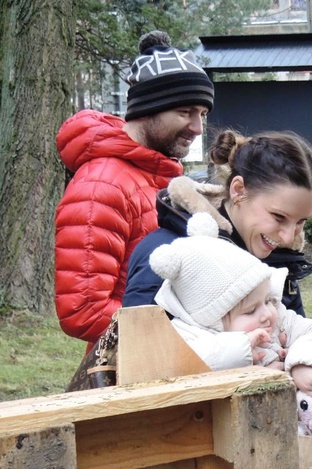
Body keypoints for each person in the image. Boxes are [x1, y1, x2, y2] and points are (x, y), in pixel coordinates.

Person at [55, 30, 214, 352]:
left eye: (202, 114)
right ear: (147, 109)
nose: (197, 128)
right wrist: (184, 333)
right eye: (185, 112)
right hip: (134, 366)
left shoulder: (158, 175)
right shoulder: (102, 185)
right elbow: (82, 312)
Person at [123, 129, 312, 317]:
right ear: (238, 190)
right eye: (278, 217)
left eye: (301, 222)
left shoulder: (281, 259)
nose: (288, 236)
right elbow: (139, 349)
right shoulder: (169, 254)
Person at [148, 213, 312, 395]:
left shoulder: (278, 319)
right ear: (214, 320)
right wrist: (242, 350)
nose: (267, 313)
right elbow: (182, 366)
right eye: (250, 310)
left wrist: (301, 363)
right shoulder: (190, 336)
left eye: (267, 300)